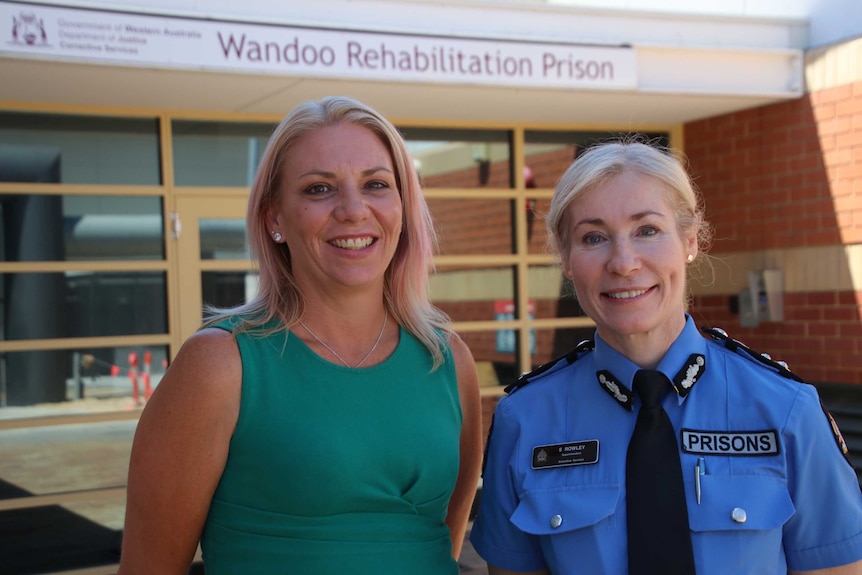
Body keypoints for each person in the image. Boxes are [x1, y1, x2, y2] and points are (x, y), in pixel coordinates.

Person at [118, 96, 482, 574]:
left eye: (376, 184)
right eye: (318, 189)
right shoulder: (220, 365)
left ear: (402, 206)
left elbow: (440, 542)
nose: (354, 210)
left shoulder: (447, 360)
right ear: (274, 219)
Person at [470, 140, 862, 575]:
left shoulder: (785, 409)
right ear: (566, 259)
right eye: (593, 237)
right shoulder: (524, 420)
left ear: (690, 240)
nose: (623, 262)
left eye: (648, 230)